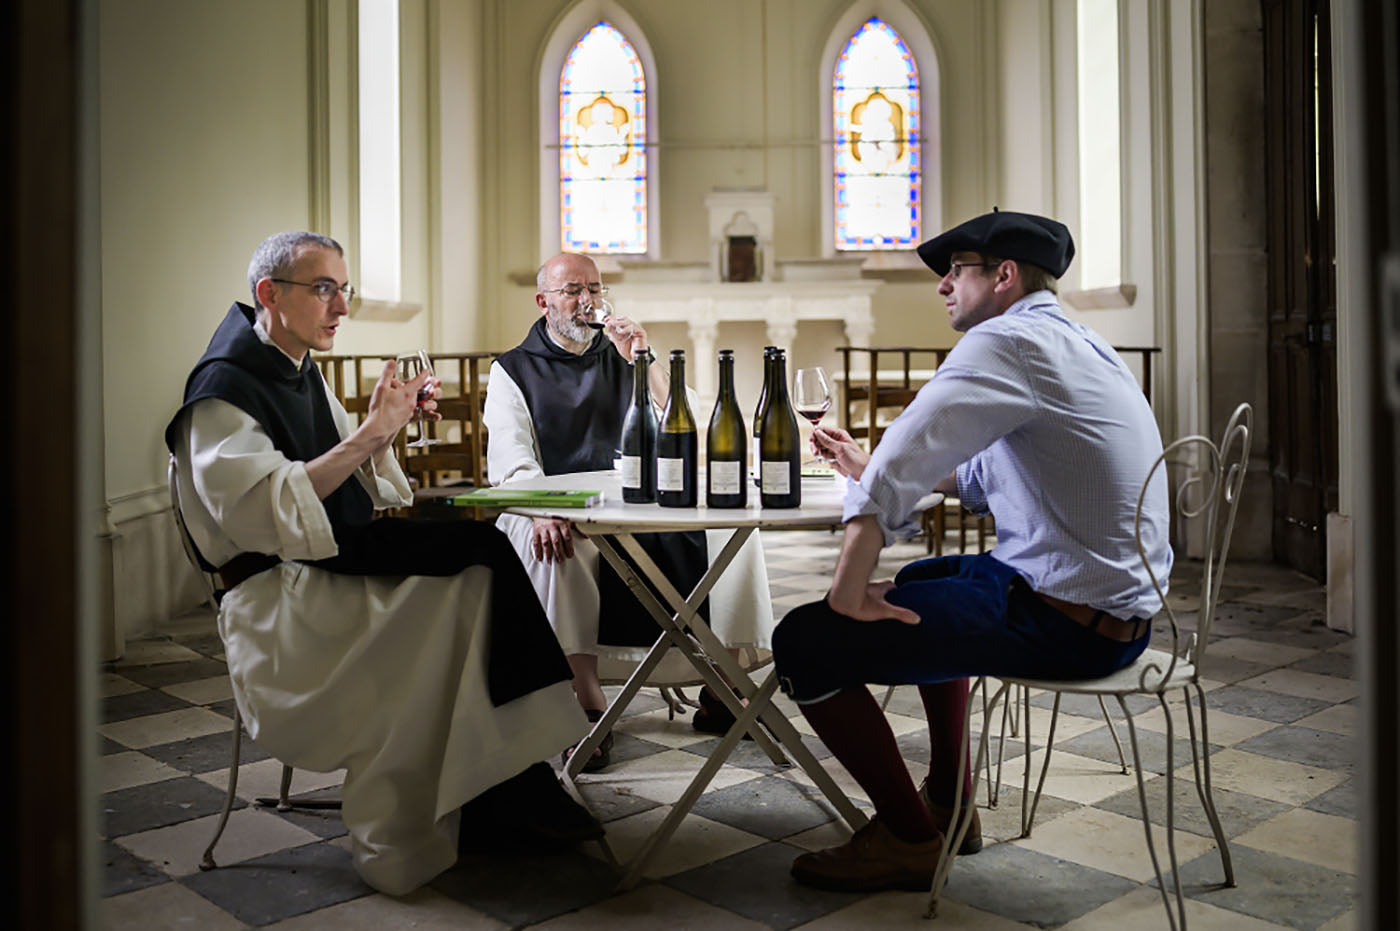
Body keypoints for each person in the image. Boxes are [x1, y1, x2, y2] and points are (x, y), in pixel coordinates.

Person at [165, 231, 602, 897]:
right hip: (279, 597)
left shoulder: (294, 365)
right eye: (325, 289)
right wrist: (374, 432)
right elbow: (261, 508)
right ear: (269, 295)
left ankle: (499, 780)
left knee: (483, 548)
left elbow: (352, 470)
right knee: (473, 581)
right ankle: (498, 785)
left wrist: (383, 430)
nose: (341, 306)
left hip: (321, 561)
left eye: (345, 289)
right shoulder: (225, 388)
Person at [772, 210, 1172, 893]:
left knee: (805, 639)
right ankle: (952, 802)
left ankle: (909, 838)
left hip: (1072, 627)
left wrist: (847, 586)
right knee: (928, 572)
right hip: (1113, 614)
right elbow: (980, 480)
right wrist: (868, 463)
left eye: (956, 270)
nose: (942, 286)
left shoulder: (1007, 342)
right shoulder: (1075, 340)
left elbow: (905, 454)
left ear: (1005, 276)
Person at [483, 252, 774, 770]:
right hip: (557, 508)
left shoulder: (626, 352)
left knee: (734, 529)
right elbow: (511, 463)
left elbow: (684, 425)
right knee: (559, 545)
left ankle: (723, 686)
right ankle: (586, 702)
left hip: (636, 497)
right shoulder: (512, 370)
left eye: (594, 289)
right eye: (572, 290)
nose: (586, 301)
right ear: (542, 301)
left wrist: (643, 359)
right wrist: (540, 508)